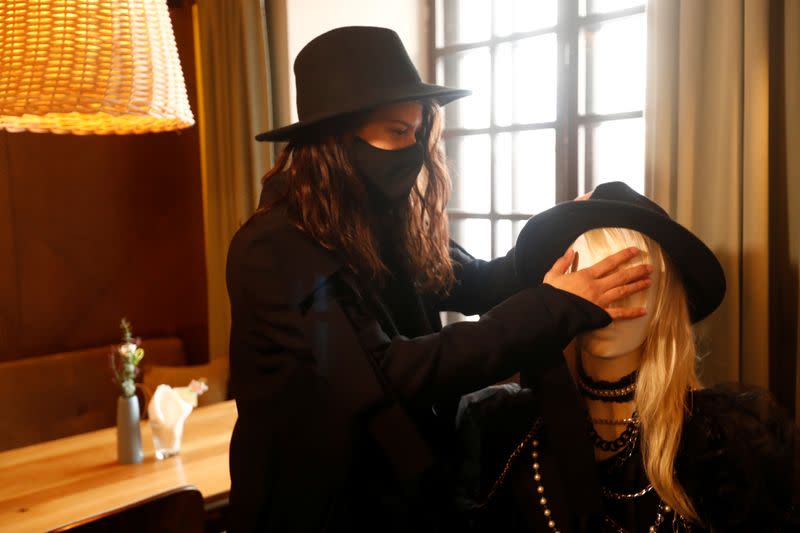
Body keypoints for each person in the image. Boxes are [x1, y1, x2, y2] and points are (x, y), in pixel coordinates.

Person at [225, 26, 654, 532]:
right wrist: (554, 305)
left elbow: (478, 281)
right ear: (335, 141)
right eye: (396, 132)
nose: (413, 149)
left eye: (417, 130)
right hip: (316, 508)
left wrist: (560, 232)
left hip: (400, 497)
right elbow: (392, 371)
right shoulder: (275, 248)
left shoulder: (381, 219)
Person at [454, 181, 800, 532]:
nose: (609, 305)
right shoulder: (501, 431)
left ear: (664, 301)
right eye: (591, 282)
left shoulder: (726, 446)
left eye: (633, 282)